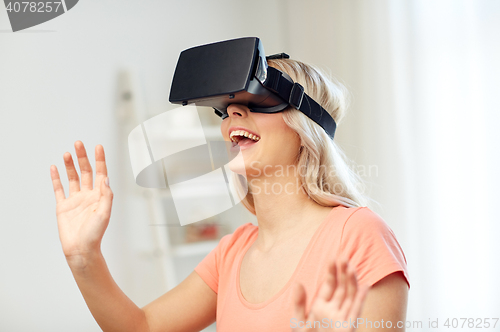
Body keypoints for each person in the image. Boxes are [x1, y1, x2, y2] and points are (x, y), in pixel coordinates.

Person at [50, 58, 409, 331]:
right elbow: (143, 327)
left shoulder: (358, 236)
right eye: (226, 108)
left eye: (259, 101)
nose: (233, 113)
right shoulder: (233, 251)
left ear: (306, 127)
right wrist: (85, 257)